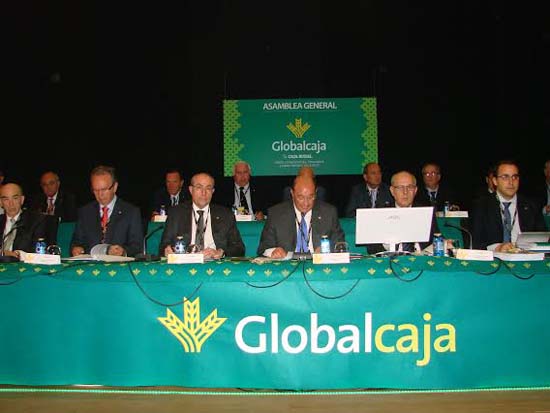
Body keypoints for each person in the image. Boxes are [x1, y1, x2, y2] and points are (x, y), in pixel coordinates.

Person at [159, 172, 245, 259]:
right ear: (191, 190)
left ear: (213, 191)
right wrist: (167, 250)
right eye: (199, 187)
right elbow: (163, 245)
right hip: (185, 262)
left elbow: (239, 248)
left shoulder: (225, 214)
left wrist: (221, 252)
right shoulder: (176, 213)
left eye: (208, 188)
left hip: (214, 262)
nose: (203, 193)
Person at [258, 175, 345, 258]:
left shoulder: (329, 213)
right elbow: (264, 248)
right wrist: (273, 251)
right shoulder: (276, 214)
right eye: (301, 197)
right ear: (292, 194)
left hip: (318, 264)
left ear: (315, 193)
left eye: (310, 197)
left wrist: (327, 249)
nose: (306, 203)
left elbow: (340, 244)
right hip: (287, 265)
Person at [471, 160, 546, 251]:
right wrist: (497, 248)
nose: (511, 182)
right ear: (495, 181)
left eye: (515, 177)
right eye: (505, 177)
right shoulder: (481, 206)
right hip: (494, 257)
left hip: (527, 255)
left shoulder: (532, 206)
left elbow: (543, 238)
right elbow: (475, 243)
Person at [71, 165, 143, 257]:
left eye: (104, 189)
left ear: (115, 187)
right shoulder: (85, 212)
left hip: (119, 264)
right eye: (96, 190)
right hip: (90, 263)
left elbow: (137, 247)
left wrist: (123, 252)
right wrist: (76, 249)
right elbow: (76, 242)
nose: (100, 195)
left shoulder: (131, 212)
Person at [381, 171, 439, 254]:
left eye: (410, 187)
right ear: (392, 191)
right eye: (400, 187)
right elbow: (373, 247)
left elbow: (436, 238)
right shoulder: (382, 213)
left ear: (415, 190)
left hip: (420, 258)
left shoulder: (426, 213)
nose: (405, 192)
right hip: (391, 258)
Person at [0, 183, 48, 258]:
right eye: (6, 199)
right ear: (1, 202)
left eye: (15, 198)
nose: (11, 204)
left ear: (22, 200)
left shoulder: (36, 221)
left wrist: (18, 255)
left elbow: (40, 252)